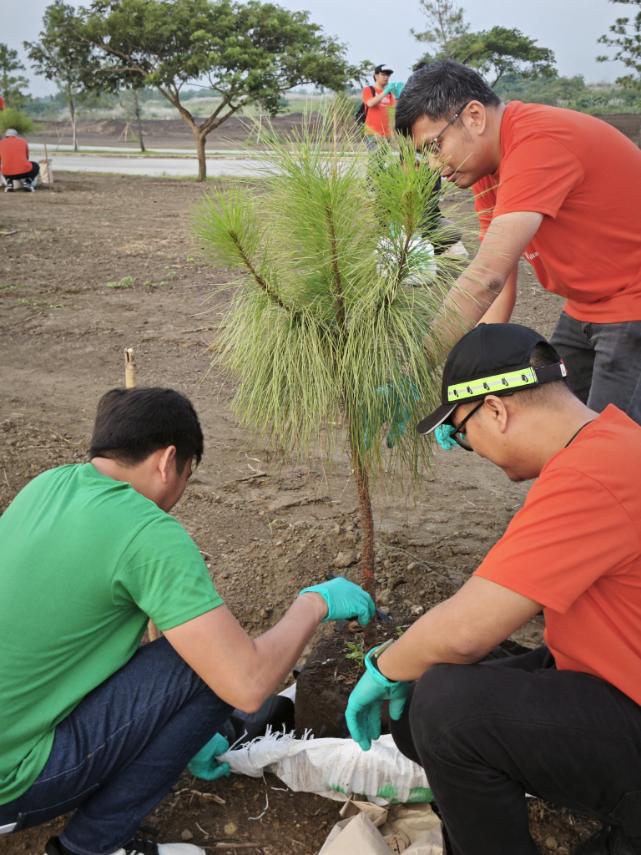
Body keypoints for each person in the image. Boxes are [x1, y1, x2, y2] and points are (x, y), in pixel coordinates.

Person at [0, 387, 375, 855]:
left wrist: (166, 723)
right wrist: (314, 603)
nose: (180, 491)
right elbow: (249, 685)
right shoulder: (146, 531)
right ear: (167, 461)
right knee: (203, 668)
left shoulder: (47, 486)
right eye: (187, 474)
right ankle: (91, 848)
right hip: (13, 786)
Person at [345, 322, 641, 855]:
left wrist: (381, 668)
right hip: (613, 675)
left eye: (460, 432)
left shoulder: (591, 477)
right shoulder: (614, 442)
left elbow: (465, 631)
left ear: (496, 411)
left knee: (447, 710)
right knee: (426, 689)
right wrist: (407, 665)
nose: (467, 446)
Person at [394, 60, 641, 425]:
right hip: (585, 303)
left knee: (611, 441)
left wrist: (414, 372)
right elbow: (499, 289)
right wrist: (465, 385)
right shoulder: (485, 168)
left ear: (474, 116)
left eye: (435, 145)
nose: (434, 165)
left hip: (632, 302)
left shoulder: (536, 143)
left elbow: (485, 279)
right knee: (555, 422)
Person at [361, 64, 397, 148]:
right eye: (383, 75)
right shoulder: (369, 90)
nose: (386, 77)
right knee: (375, 156)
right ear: (376, 76)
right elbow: (370, 103)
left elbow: (394, 110)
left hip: (387, 134)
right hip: (372, 134)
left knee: (384, 157)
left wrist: (398, 95)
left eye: (388, 75)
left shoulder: (389, 93)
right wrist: (385, 92)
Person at [0, 128, 40, 192]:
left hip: (8, 174)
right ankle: (28, 183)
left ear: (6, 136)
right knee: (36, 165)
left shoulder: (1, 143)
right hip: (25, 172)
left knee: (3, 166)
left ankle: (9, 184)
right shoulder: (23, 141)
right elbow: (27, 158)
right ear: (16, 136)